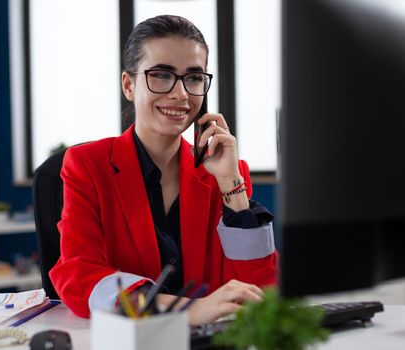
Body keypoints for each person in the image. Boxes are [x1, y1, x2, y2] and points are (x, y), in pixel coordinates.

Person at [49, 14, 279, 325]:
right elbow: (80, 276)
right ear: (129, 85)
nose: (181, 94)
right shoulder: (87, 165)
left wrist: (230, 182)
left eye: (194, 77)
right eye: (161, 75)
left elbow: (257, 292)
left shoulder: (227, 172)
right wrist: (187, 310)